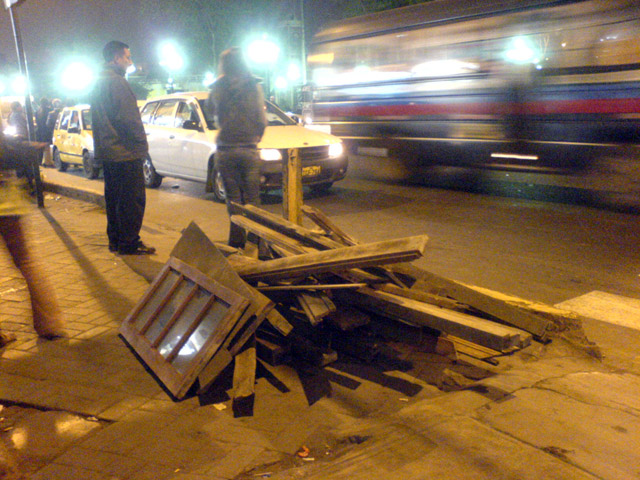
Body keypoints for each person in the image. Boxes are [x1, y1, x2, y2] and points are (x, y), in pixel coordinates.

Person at [0, 120, 65, 347]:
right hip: (5, 204)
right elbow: (5, 149)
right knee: (26, 261)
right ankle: (49, 324)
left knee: (27, 262)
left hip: (6, 204)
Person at [90, 40, 155, 255]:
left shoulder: (98, 81)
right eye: (127, 57)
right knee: (131, 200)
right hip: (125, 152)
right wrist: (141, 145)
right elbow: (129, 119)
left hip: (109, 152)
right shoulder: (116, 82)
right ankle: (129, 242)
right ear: (116, 58)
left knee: (114, 199)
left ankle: (116, 240)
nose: (130, 61)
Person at [207, 47, 267, 249]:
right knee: (253, 198)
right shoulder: (253, 85)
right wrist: (256, 137)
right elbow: (261, 118)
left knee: (234, 200)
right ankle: (258, 242)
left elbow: (209, 109)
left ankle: (237, 243)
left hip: (226, 149)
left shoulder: (219, 85)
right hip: (248, 148)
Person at [35, 97, 54, 166]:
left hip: (40, 130)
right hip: (47, 130)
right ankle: (47, 161)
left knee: (41, 146)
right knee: (48, 146)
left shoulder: (37, 111)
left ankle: (40, 161)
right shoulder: (49, 110)